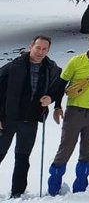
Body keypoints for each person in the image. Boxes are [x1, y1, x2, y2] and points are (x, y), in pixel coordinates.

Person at [47, 30, 89, 195]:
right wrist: (57, 106)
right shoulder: (76, 61)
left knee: (87, 152)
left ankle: (80, 190)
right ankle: (53, 189)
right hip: (75, 111)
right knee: (65, 150)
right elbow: (60, 85)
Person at [0, 35, 61, 199]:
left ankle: (17, 193)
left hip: (30, 120)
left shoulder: (51, 68)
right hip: (8, 119)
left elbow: (59, 86)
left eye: (44, 49)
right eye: (38, 47)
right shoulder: (14, 66)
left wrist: (51, 98)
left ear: (48, 50)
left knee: (22, 157)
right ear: (30, 47)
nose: (40, 52)